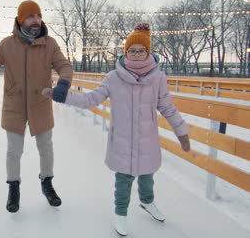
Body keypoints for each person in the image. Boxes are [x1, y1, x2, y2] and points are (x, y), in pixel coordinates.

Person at [43, 22, 191, 236]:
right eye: (132, 50)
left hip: (148, 139)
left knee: (147, 175)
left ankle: (147, 202)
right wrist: (62, 95)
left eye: (141, 50)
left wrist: (182, 131)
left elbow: (166, 106)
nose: (137, 54)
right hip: (123, 139)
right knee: (124, 180)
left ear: (148, 52)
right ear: (126, 52)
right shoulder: (114, 78)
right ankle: (121, 214)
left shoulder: (158, 77)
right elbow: (91, 99)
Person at [0, 0, 73, 213]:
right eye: (30, 17)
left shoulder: (50, 44)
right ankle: (14, 189)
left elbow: (64, 65)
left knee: (46, 147)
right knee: (14, 151)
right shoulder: (7, 45)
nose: (36, 20)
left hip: (40, 103)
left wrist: (64, 82)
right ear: (21, 19)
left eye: (38, 16)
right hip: (14, 104)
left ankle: (47, 184)